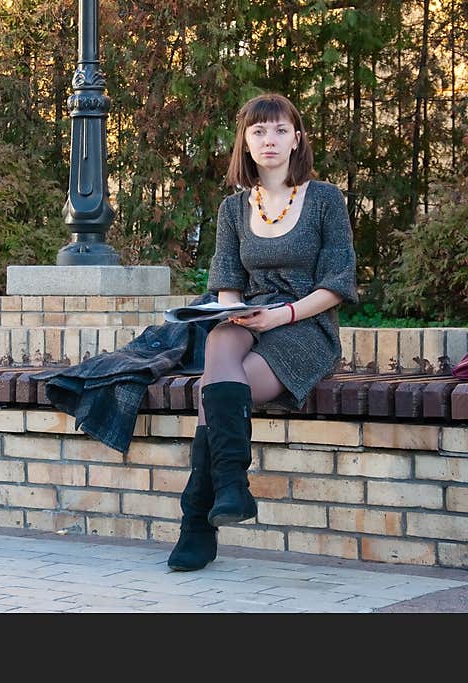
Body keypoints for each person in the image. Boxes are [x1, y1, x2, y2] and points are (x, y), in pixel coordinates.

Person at [167, 93, 358, 571]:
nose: (268, 139)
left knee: (214, 389)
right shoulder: (233, 209)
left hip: (305, 326)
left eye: (278, 130)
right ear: (245, 142)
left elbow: (337, 284)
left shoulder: (325, 200)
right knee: (218, 338)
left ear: (296, 139)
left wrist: (281, 315)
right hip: (250, 321)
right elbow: (227, 283)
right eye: (258, 131)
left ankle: (197, 521)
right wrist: (234, 313)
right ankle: (231, 486)